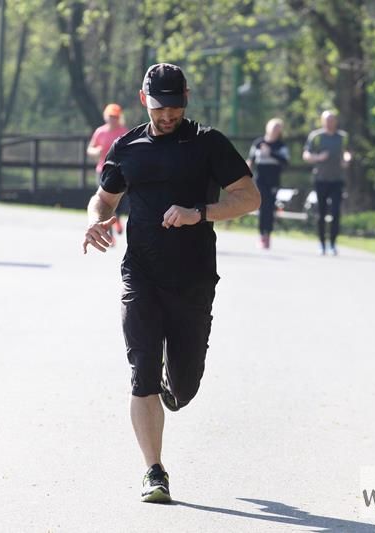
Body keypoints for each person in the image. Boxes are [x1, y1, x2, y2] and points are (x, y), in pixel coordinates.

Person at [82, 63, 260, 503]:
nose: (167, 116)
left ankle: (173, 385)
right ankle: (154, 471)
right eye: (160, 107)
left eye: (175, 107)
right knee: (141, 370)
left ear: (187, 99)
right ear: (144, 100)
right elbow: (104, 199)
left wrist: (199, 213)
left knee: (183, 388)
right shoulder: (127, 147)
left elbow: (249, 197)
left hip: (193, 278)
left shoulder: (208, 143)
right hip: (140, 273)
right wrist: (95, 221)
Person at [302, 110, 352, 255]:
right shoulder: (316, 136)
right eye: (327, 120)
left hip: (337, 180)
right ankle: (322, 243)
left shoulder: (343, 137)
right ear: (322, 121)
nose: (329, 123)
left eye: (332, 120)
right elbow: (306, 154)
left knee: (336, 212)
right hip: (321, 179)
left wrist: (347, 159)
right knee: (321, 212)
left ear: (336, 121)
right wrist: (318, 157)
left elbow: (347, 152)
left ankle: (333, 244)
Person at [246, 118, 289, 249]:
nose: (275, 130)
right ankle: (261, 235)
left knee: (270, 208)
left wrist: (271, 153)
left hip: (273, 180)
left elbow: (285, 161)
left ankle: (268, 234)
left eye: (277, 128)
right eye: (273, 127)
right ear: (268, 128)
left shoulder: (281, 145)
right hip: (260, 180)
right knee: (262, 206)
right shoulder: (258, 143)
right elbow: (251, 159)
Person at [87, 103, 129, 237]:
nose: (113, 119)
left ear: (119, 117)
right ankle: (109, 233)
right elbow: (90, 149)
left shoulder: (124, 132)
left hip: (120, 171)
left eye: (115, 116)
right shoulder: (100, 132)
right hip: (102, 170)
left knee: (118, 200)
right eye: (111, 116)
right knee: (104, 201)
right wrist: (96, 151)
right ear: (106, 117)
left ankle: (117, 219)